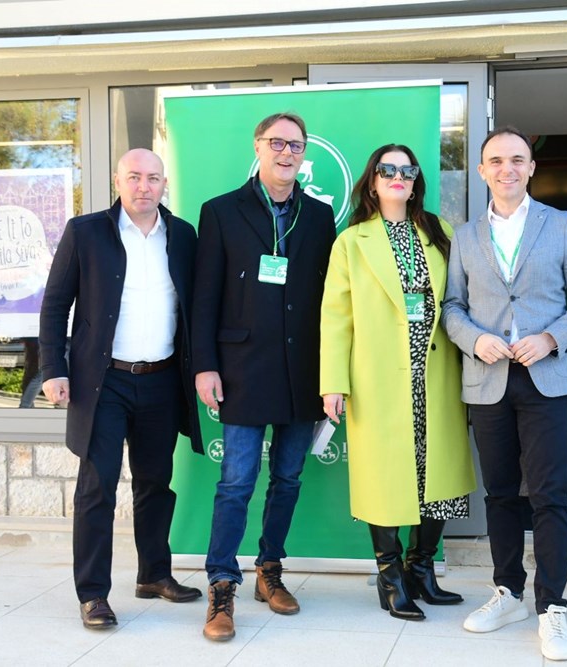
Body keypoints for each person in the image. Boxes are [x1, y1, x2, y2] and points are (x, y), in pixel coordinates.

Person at [442, 126, 567, 662]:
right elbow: (452, 307)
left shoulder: (562, 225)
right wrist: (475, 339)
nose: (506, 169)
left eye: (517, 160)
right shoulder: (465, 235)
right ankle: (508, 593)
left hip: (545, 377)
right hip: (488, 380)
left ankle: (552, 606)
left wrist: (551, 338)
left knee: (550, 494)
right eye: (496, 161)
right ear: (482, 171)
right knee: (500, 494)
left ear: (531, 168)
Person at [38, 148, 203, 630]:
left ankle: (154, 574)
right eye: (134, 177)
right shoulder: (85, 232)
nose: (143, 186)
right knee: (98, 488)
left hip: (162, 380)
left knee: (156, 484)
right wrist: (53, 368)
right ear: (117, 181)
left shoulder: (183, 236)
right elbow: (54, 306)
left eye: (153, 178)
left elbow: (195, 307)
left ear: (164, 183)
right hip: (102, 382)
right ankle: (93, 594)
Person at [192, 112, 336, 642]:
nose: (286, 152)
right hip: (241, 370)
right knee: (236, 483)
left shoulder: (319, 216)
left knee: (289, 478)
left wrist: (334, 372)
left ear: (304, 154)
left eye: (295, 145)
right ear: (258, 146)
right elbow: (204, 295)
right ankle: (221, 585)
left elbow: (332, 300)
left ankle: (269, 569)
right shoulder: (220, 211)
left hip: (303, 370)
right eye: (277, 142)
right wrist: (204, 364)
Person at [320, 144, 476, 621]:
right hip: (379, 378)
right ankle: (390, 579)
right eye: (387, 169)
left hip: (436, 373)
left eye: (407, 171)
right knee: (385, 477)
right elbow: (336, 317)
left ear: (415, 182)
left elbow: (460, 299)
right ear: (372, 181)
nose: (397, 177)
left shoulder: (440, 231)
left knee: (437, 474)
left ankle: (421, 569)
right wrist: (333, 383)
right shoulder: (352, 242)